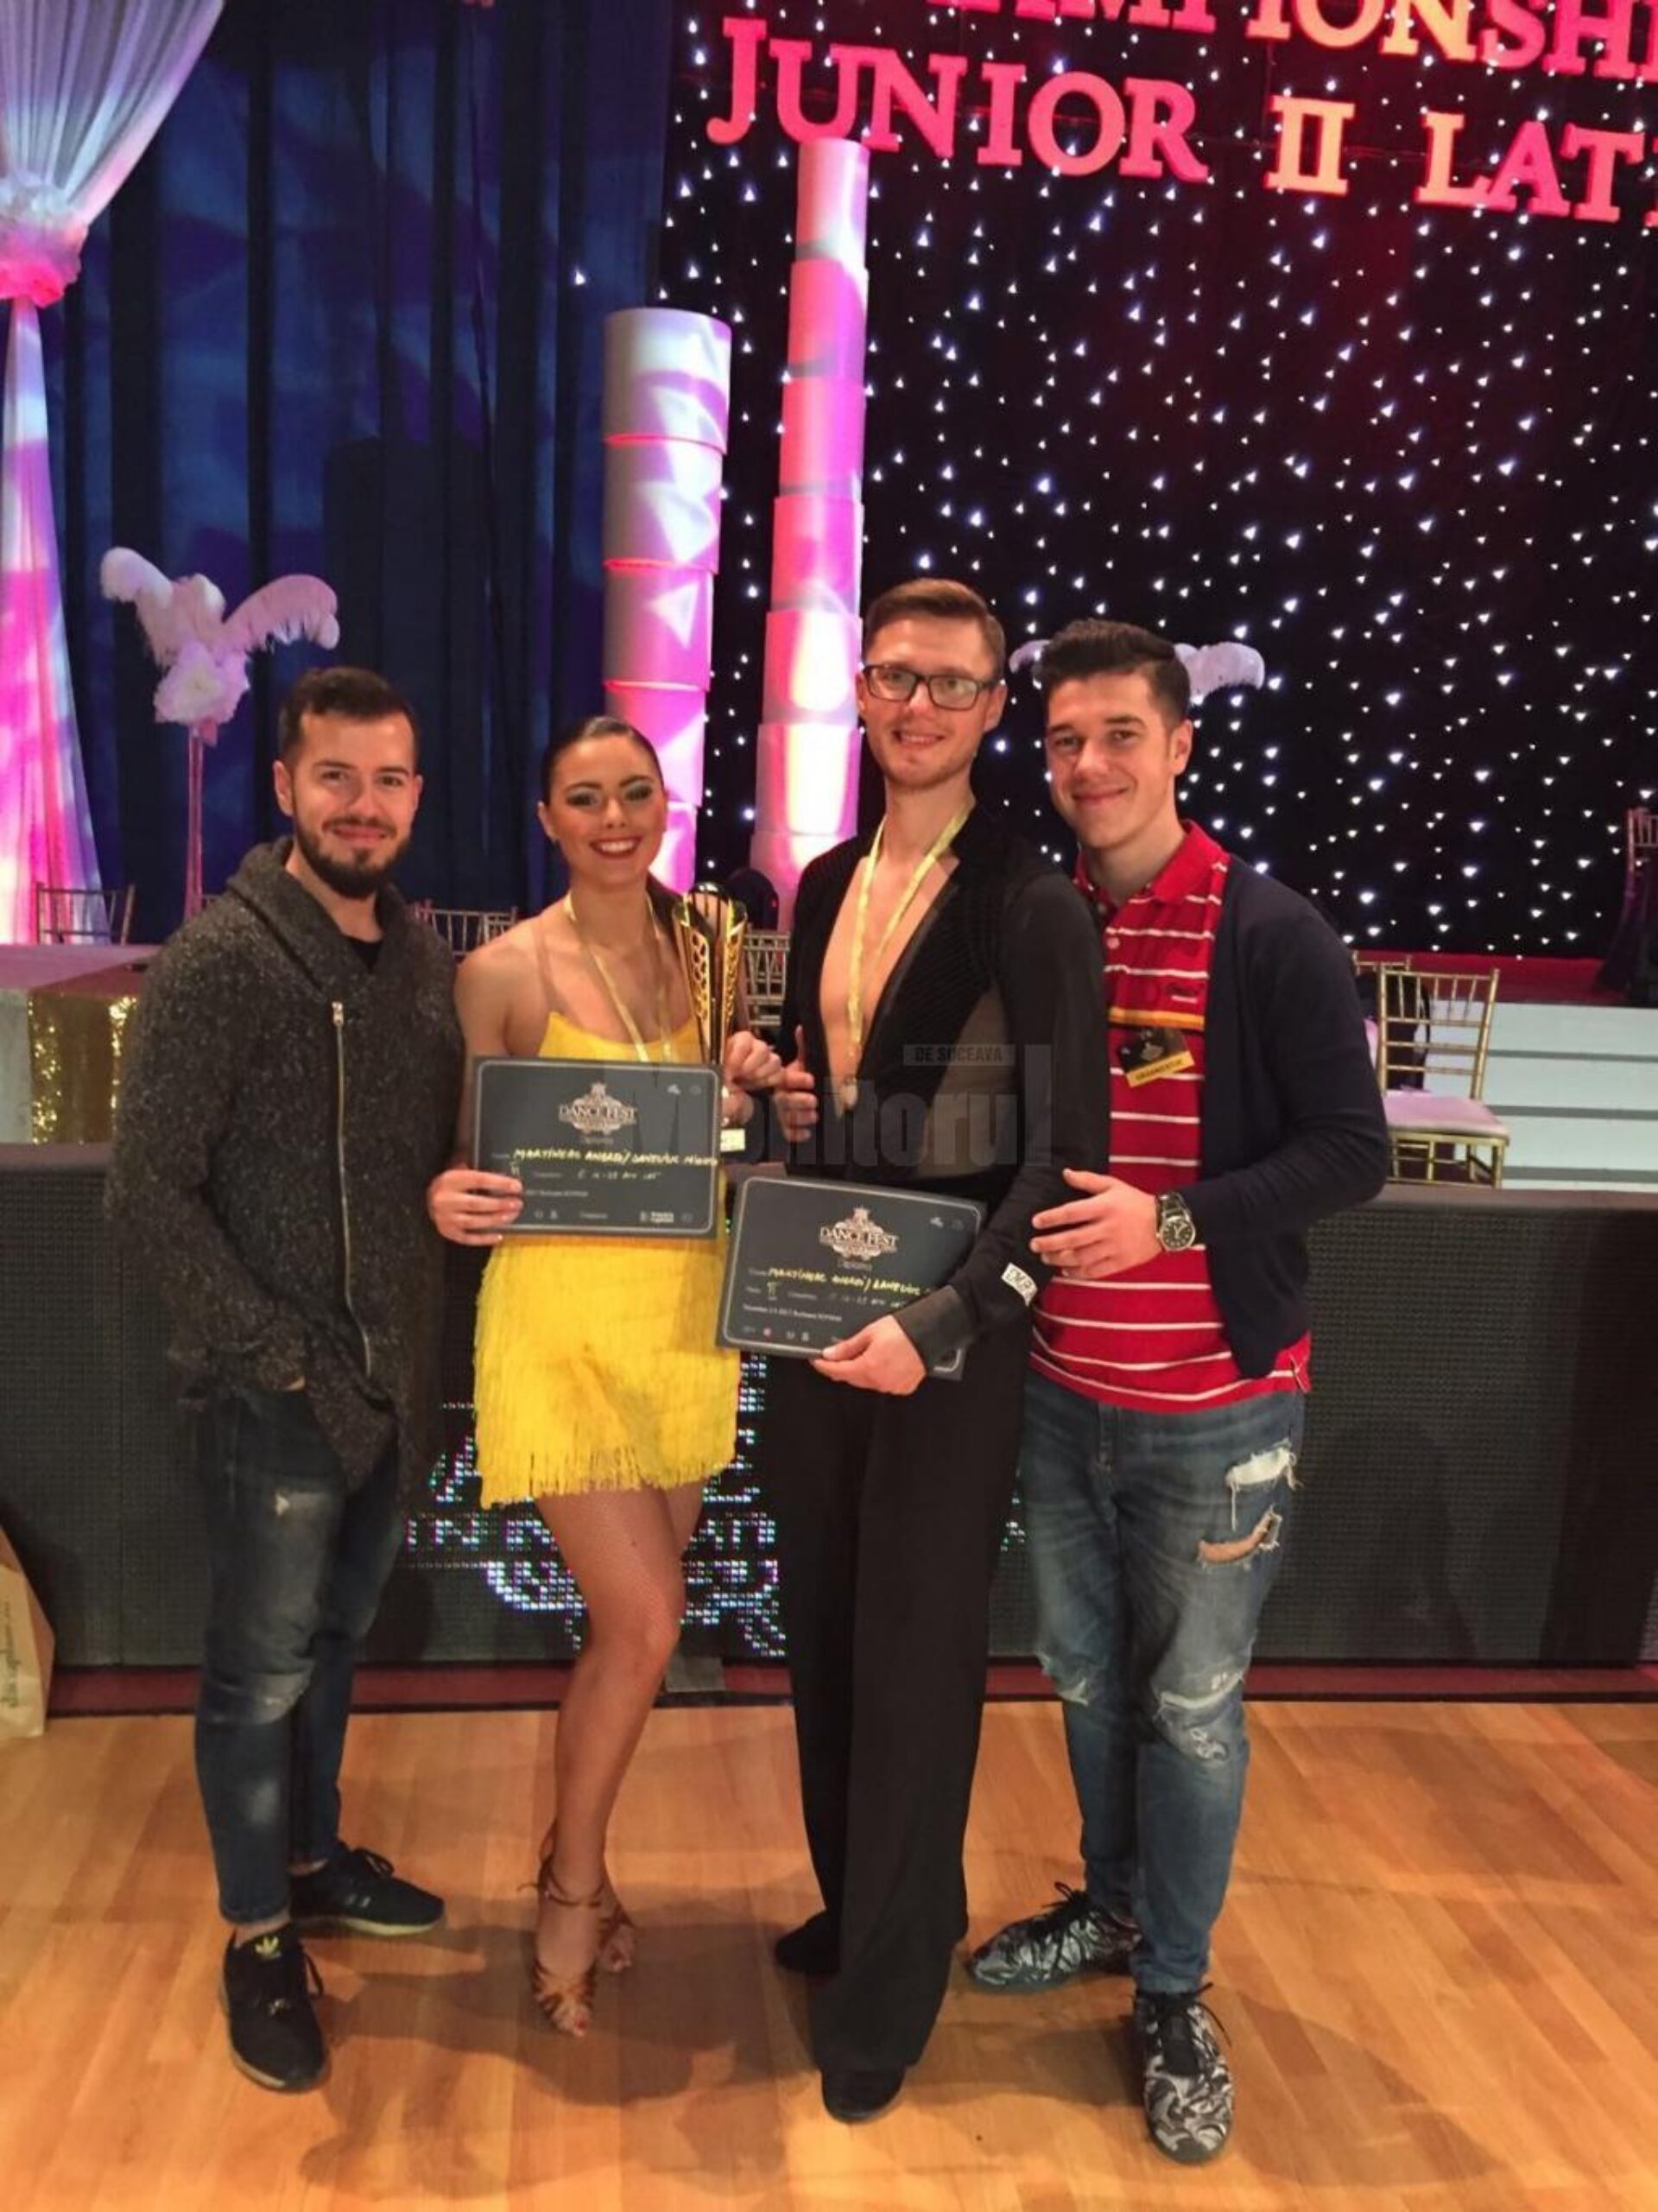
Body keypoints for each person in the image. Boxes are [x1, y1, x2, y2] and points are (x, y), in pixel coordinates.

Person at [965, 620, 1388, 2165]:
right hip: (1061, 1391)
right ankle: (1113, 1904)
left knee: (1194, 1709)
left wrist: (1177, 1220)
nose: (1089, 765)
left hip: (1217, 1406)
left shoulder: (1270, 931)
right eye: (1065, 739)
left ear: (1181, 744)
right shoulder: (1043, 922)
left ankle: (1172, 1990)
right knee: (1087, 1682)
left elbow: (1354, 1151)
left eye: (1120, 736)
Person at [762, 578, 1111, 2125]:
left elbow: (1065, 1163)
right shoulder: (825, 881)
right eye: (895, 676)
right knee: (829, 1635)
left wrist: (946, 1322)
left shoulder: (1030, 904)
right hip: (818, 1317)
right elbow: (841, 1100)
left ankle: (888, 1996)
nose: (918, 706)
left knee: (912, 1661)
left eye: (951, 685)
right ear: (861, 686)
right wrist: (786, 1092)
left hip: (949, 1343)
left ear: (992, 710)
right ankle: (862, 1908)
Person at [107, 667, 465, 2094]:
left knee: (332, 1645)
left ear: (416, 794)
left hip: (388, 1392)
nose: (362, 805)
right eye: (336, 777)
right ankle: (258, 1933)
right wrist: (278, 1354)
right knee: (257, 1675)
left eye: (387, 779)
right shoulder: (218, 962)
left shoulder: (420, 964)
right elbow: (146, 1195)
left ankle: (312, 1860)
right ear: (284, 787)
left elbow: (426, 1162)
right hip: (274, 1396)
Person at [426, 713, 779, 2038]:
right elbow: (468, 1153)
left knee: (624, 1636)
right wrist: (453, 1193)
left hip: (684, 1322)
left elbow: (726, 1129)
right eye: (586, 797)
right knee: (646, 1622)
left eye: (636, 791)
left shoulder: (712, 945)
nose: (615, 817)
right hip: (560, 1325)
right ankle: (569, 1885)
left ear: (665, 803)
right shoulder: (503, 971)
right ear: (548, 818)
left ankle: (584, 1860)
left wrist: (749, 1083)